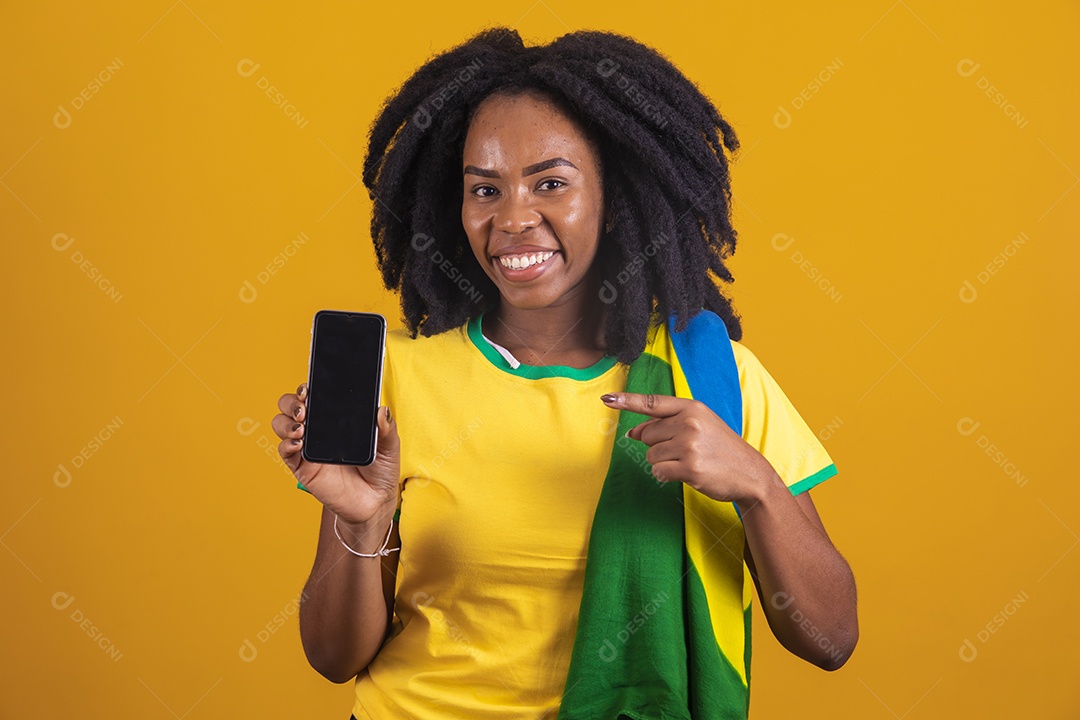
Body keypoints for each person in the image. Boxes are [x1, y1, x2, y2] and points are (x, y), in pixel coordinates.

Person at [273, 27, 858, 720]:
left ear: (615, 197)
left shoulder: (711, 380)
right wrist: (361, 521)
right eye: (484, 190)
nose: (514, 218)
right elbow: (334, 658)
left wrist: (757, 485)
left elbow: (830, 638)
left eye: (550, 183)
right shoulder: (397, 378)